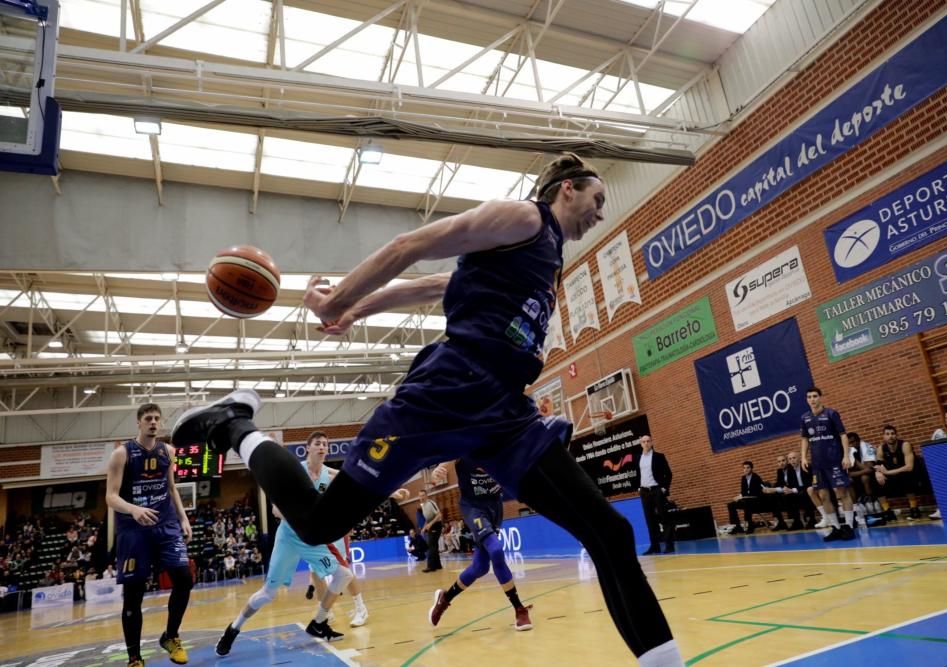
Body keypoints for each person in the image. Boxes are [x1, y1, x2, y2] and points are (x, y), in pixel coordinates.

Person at [172, 153, 682, 666]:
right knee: (319, 523)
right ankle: (236, 423)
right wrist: (339, 299)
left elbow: (433, 287)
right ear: (567, 189)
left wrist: (356, 310)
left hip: (504, 412)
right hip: (445, 393)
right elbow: (411, 246)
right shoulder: (526, 218)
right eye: (597, 200)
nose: (600, 213)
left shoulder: (547, 257)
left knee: (610, 533)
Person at [216, 431, 387, 655]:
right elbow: (276, 509)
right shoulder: (294, 471)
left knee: (343, 574)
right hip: (289, 536)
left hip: (312, 538)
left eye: (326, 444)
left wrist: (390, 493)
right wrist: (300, 518)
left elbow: (359, 484)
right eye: (318, 444)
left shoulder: (331, 474)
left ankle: (318, 622)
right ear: (308, 448)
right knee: (268, 593)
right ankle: (233, 629)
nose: (323, 447)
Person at [105, 404, 193, 667]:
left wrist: (183, 518)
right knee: (134, 595)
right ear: (139, 423)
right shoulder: (121, 454)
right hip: (134, 531)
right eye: (148, 418)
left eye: (156, 418)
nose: (153, 422)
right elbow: (111, 496)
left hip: (166, 526)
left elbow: (171, 488)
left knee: (184, 579)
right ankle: (134, 657)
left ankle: (171, 636)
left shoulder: (168, 452)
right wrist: (134, 510)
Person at [427, 460, 533, 631]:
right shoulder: (467, 440)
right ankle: (519, 609)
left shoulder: (502, 440)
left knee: (480, 567)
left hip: (495, 507)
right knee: (496, 550)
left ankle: (444, 598)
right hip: (473, 507)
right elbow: (450, 454)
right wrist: (439, 468)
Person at [800, 386, 855, 541]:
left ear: (820, 397)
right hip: (818, 464)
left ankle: (849, 526)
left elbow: (843, 435)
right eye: (809, 397)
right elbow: (805, 439)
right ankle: (836, 528)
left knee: (842, 492)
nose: (812, 399)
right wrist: (804, 457)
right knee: (823, 495)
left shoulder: (831, 413)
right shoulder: (805, 418)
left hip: (835, 460)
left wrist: (845, 456)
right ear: (807, 399)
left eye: (815, 396)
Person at [637, 435, 675, 554]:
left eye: (648, 441)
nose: (646, 443)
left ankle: (669, 545)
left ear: (652, 443)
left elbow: (668, 474)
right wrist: (639, 488)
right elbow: (637, 474)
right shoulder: (638, 458)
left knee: (664, 518)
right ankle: (654, 546)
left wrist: (664, 488)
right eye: (644, 441)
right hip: (644, 492)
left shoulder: (659, 457)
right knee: (650, 520)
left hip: (657, 491)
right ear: (641, 444)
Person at [874, 425, 920, 521]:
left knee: (908, 475)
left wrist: (888, 472)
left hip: (908, 473)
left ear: (896, 435)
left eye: (893, 434)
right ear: (884, 436)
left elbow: (909, 467)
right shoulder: (881, 449)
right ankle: (887, 511)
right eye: (887, 434)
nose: (890, 436)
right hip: (893, 476)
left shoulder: (905, 445)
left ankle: (914, 508)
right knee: (877, 480)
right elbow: (878, 466)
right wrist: (878, 473)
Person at [726, 462, 768, 534]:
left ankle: (750, 524)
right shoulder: (743, 478)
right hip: (746, 499)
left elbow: (758, 492)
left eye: (748, 467)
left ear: (751, 468)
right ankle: (738, 526)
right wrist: (738, 497)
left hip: (756, 500)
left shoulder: (756, 477)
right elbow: (743, 492)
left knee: (747, 502)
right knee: (731, 505)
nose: (745, 469)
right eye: (744, 468)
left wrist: (743, 497)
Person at [760, 454, 791, 530]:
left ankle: (780, 522)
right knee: (771, 496)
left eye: (783, 460)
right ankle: (780, 522)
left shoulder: (791, 468)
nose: (781, 463)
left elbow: (790, 484)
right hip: (783, 492)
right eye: (779, 461)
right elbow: (779, 483)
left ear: (787, 461)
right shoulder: (779, 471)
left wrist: (774, 489)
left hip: (791, 491)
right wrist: (770, 489)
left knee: (774, 497)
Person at [419, 490, 444, 572]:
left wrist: (430, 524)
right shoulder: (423, 505)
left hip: (436, 525)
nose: (421, 497)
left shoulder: (430, 503)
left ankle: (431, 566)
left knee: (431, 545)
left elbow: (439, 515)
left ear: (426, 496)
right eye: (420, 496)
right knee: (434, 545)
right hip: (431, 525)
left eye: (423, 495)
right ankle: (438, 565)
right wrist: (424, 527)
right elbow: (427, 518)